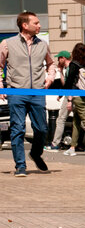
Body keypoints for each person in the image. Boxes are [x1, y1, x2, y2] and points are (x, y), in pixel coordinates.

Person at [0, 11, 55, 176]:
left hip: (37, 92)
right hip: (16, 91)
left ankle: (36, 154)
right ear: (25, 25)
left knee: (42, 129)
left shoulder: (43, 45)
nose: (39, 25)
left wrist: (50, 78)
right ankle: (20, 166)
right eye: (36, 23)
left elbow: (51, 63)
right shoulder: (7, 44)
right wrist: (1, 85)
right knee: (18, 129)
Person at [46, 50, 72, 152]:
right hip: (71, 96)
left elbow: (70, 86)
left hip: (71, 96)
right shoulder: (68, 69)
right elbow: (65, 84)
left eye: (59, 58)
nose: (57, 60)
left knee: (60, 119)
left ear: (63, 58)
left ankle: (55, 144)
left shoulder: (71, 68)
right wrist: (60, 72)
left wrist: (69, 99)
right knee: (82, 121)